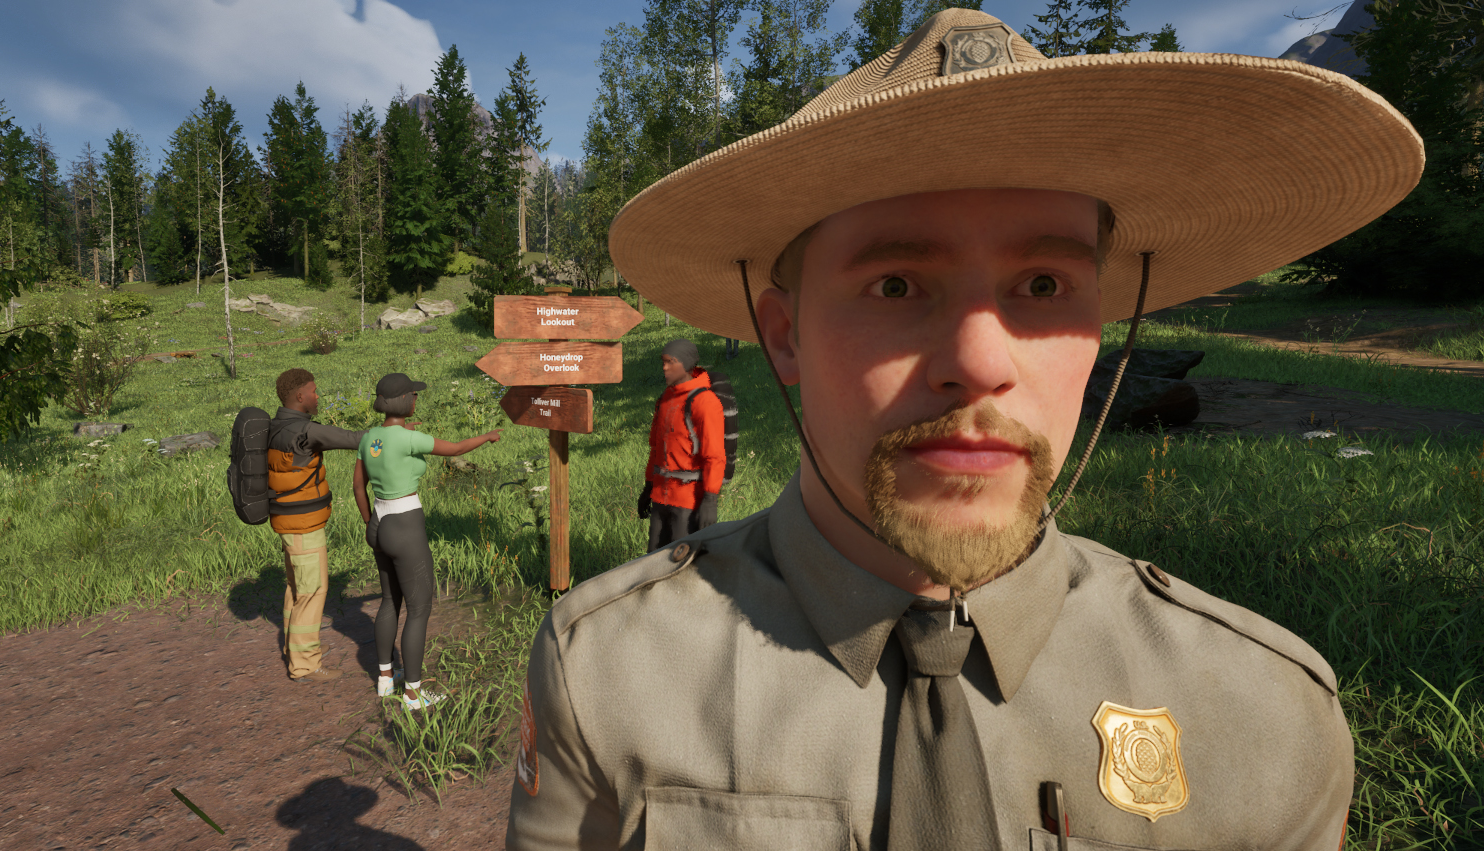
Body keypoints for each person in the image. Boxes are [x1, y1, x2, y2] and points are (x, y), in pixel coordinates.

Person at [507, 9, 1422, 851]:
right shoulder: (606, 675)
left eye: (1043, 286)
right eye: (896, 284)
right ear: (784, 335)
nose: (980, 360)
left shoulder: (1262, 716)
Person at [351, 372, 502, 710]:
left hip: (379, 521)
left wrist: (368, 523)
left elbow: (358, 486)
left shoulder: (369, 438)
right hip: (405, 525)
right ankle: (414, 694)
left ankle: (385, 678)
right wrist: (488, 436)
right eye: (413, 395)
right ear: (404, 401)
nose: (417, 400)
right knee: (419, 608)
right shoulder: (411, 439)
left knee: (390, 601)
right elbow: (457, 448)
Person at [269, 368, 367, 683]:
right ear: (300, 396)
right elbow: (355, 439)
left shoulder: (274, 426)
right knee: (312, 591)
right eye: (314, 390)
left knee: (297, 588)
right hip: (304, 524)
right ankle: (305, 665)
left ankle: (293, 651)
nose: (318, 396)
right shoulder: (304, 432)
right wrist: (394, 433)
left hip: (286, 521)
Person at [636, 338, 725, 552]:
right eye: (663, 362)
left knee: (681, 565)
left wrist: (710, 500)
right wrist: (648, 486)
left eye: (671, 362)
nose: (664, 367)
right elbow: (655, 448)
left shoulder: (705, 402)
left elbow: (714, 456)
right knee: (652, 561)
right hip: (660, 496)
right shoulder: (665, 399)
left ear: (685, 364)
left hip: (688, 500)